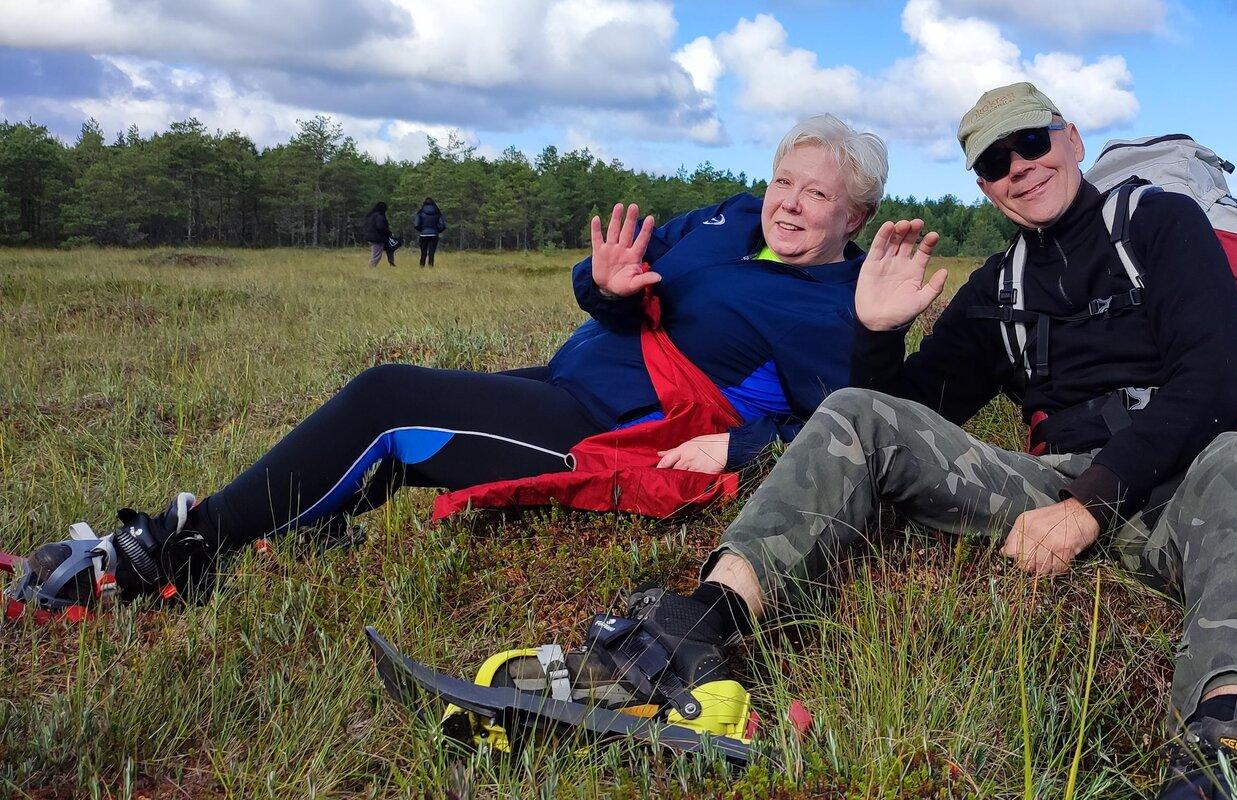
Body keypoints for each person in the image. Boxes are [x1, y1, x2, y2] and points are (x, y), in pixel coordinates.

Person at [630, 84, 1237, 799]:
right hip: (1049, 485)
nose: (1018, 166)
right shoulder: (1000, 288)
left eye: (1032, 143)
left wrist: (1088, 509)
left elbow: (1216, 382)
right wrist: (878, 333)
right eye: (993, 160)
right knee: (855, 408)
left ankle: (1228, 748)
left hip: (1183, 477)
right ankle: (696, 627)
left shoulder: (1160, 223)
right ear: (984, 187)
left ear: (1071, 140)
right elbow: (903, 416)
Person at [8, 115, 892, 618]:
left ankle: (175, 556)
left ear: (856, 213)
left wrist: (740, 450)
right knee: (410, 419)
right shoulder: (726, 220)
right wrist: (605, 284)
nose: (791, 201)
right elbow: (610, 280)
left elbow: (850, 424)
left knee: (392, 402)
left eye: (819, 193)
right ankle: (291, 522)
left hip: (603, 431)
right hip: (559, 379)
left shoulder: (833, 303)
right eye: (786, 179)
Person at [415, 197, 447, 267]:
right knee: (431, 252)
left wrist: (422, 230)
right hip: (434, 234)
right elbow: (442, 225)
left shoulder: (420, 212)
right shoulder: (437, 212)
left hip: (423, 235)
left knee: (423, 253)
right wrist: (437, 231)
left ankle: (421, 266)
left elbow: (416, 225)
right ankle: (430, 267)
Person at [363, 202, 395, 267]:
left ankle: (392, 264)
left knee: (390, 250)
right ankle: (371, 267)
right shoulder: (379, 216)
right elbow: (381, 227)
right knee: (376, 255)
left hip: (373, 237)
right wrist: (388, 232)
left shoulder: (370, 216)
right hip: (378, 238)